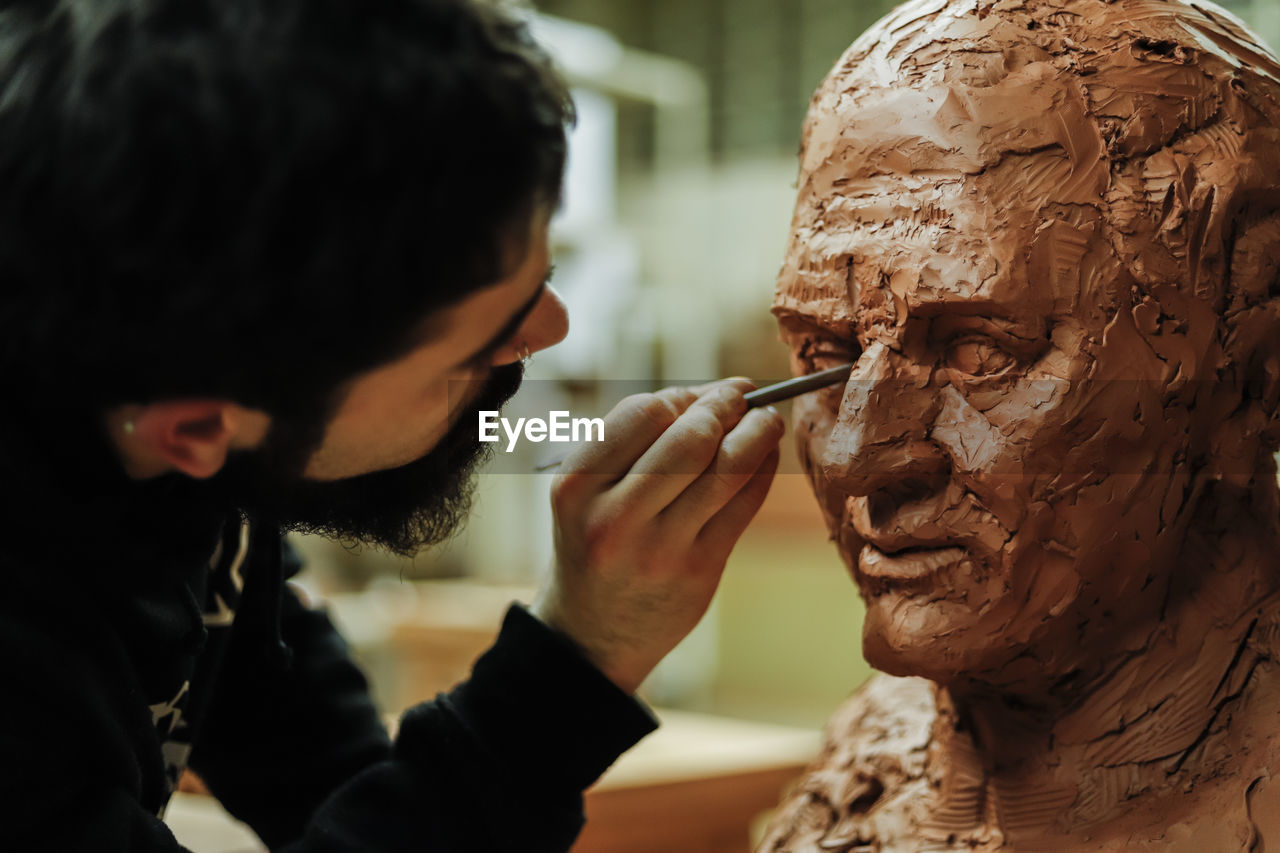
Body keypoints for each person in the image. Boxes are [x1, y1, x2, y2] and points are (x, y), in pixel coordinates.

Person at [0, 0, 785, 850]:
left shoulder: (190, 400)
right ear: (193, 429)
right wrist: (580, 654)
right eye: (491, 334)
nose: (551, 328)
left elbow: (327, 771)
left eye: (542, 273)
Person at [757, 0, 1280, 849]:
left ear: (1253, 377)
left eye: (979, 353)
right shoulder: (868, 763)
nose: (855, 455)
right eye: (828, 349)